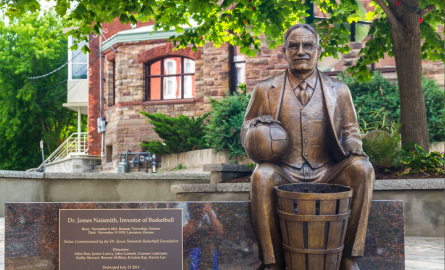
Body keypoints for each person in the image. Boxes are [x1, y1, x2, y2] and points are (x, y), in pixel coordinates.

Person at [241, 24, 375, 270]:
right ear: (284, 50)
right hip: (285, 170)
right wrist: (255, 130)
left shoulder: (339, 90)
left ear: (318, 50)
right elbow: (246, 127)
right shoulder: (264, 89)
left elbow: (351, 130)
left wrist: (354, 145)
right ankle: (273, 262)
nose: (300, 51)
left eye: (307, 45)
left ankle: (348, 258)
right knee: (261, 175)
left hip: (326, 168)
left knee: (362, 169)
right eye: (294, 45)